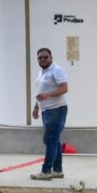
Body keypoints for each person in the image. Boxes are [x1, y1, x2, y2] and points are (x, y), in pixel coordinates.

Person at [31, 47, 68, 180]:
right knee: (54, 140)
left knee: (50, 140)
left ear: (51, 57)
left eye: (45, 57)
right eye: (40, 58)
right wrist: (36, 107)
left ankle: (46, 171)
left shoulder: (56, 70)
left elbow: (64, 88)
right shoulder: (42, 72)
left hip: (57, 109)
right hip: (46, 110)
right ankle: (57, 170)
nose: (43, 59)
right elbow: (40, 92)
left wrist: (47, 95)